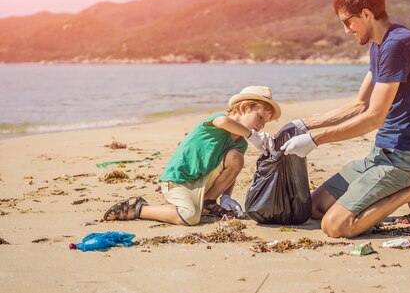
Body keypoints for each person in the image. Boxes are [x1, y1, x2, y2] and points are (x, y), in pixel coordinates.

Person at [280, 0, 410, 238]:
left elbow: (374, 117)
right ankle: (407, 189)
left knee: (336, 227)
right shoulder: (379, 46)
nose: (346, 30)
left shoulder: (396, 45)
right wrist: (304, 125)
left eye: (347, 22)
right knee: (314, 207)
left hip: (406, 158)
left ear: (366, 14)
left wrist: (315, 140)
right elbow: (360, 104)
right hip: (380, 155)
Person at [103, 86, 281, 226]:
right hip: (179, 181)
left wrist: (226, 196)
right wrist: (252, 135)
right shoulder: (218, 120)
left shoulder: (240, 143)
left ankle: (208, 201)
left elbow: (232, 170)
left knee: (236, 157)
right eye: (260, 118)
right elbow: (224, 122)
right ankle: (140, 208)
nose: (262, 125)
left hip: (204, 184)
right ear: (243, 107)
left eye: (266, 122)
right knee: (189, 217)